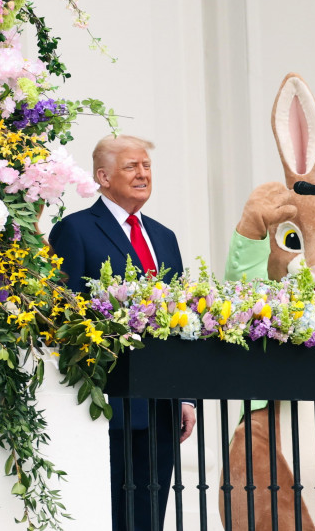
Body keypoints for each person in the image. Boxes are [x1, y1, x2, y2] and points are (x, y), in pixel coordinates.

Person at [49, 134, 196, 531]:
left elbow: (180, 318)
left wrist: (184, 397)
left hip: (161, 407)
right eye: (131, 166)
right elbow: (63, 314)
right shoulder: (75, 230)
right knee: (113, 517)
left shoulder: (164, 237)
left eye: (146, 166)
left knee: (150, 518)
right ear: (103, 176)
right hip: (108, 404)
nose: (143, 174)